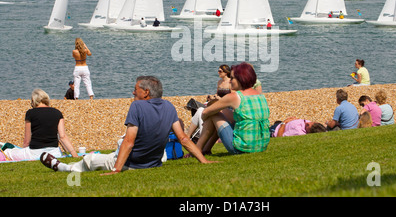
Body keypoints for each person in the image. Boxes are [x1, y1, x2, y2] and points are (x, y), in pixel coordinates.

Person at [40, 76, 215, 173]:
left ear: (145, 92)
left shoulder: (137, 106)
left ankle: (61, 167)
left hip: (132, 164)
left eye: (136, 89)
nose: (133, 91)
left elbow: (130, 141)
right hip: (154, 163)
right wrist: (203, 160)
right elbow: (183, 138)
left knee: (89, 159)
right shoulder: (168, 106)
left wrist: (116, 170)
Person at [195, 62, 270, 155]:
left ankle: (197, 150)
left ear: (241, 78)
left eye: (232, 78)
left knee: (214, 114)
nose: (230, 81)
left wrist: (206, 119)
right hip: (261, 145)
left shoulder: (235, 96)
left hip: (241, 148)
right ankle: (206, 150)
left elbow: (205, 112)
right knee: (220, 112)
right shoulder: (260, 95)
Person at [3, 89, 78, 161]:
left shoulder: (30, 113)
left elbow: (27, 140)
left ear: (33, 101)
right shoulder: (57, 112)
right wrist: (74, 154)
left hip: (35, 153)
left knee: (7, 152)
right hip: (55, 153)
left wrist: (25, 154)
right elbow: (62, 137)